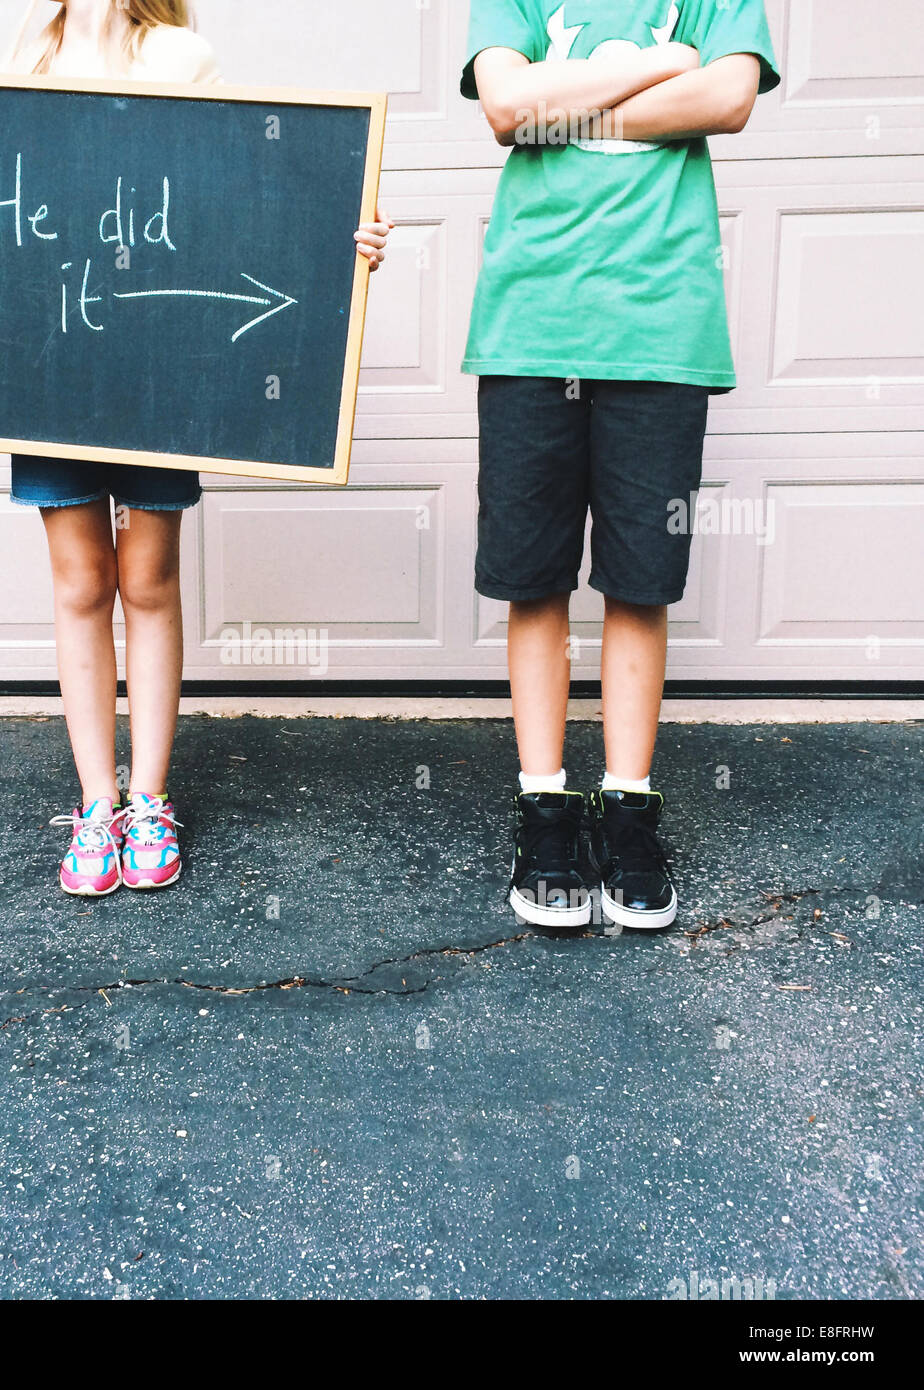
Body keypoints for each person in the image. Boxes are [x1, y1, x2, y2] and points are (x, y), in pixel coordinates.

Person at [0, 0, 392, 896]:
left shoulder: (181, 58)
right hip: (46, 368)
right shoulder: (22, 63)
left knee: (149, 581)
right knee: (81, 581)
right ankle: (96, 802)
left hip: (162, 365)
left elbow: (245, 197)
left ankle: (151, 797)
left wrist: (342, 240)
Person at [462, 0, 779, 929]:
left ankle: (630, 807)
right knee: (535, 579)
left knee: (642, 582)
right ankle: (546, 809)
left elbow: (727, 99)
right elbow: (504, 109)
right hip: (531, 325)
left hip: (662, 327)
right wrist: (662, 67)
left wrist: (562, 103)